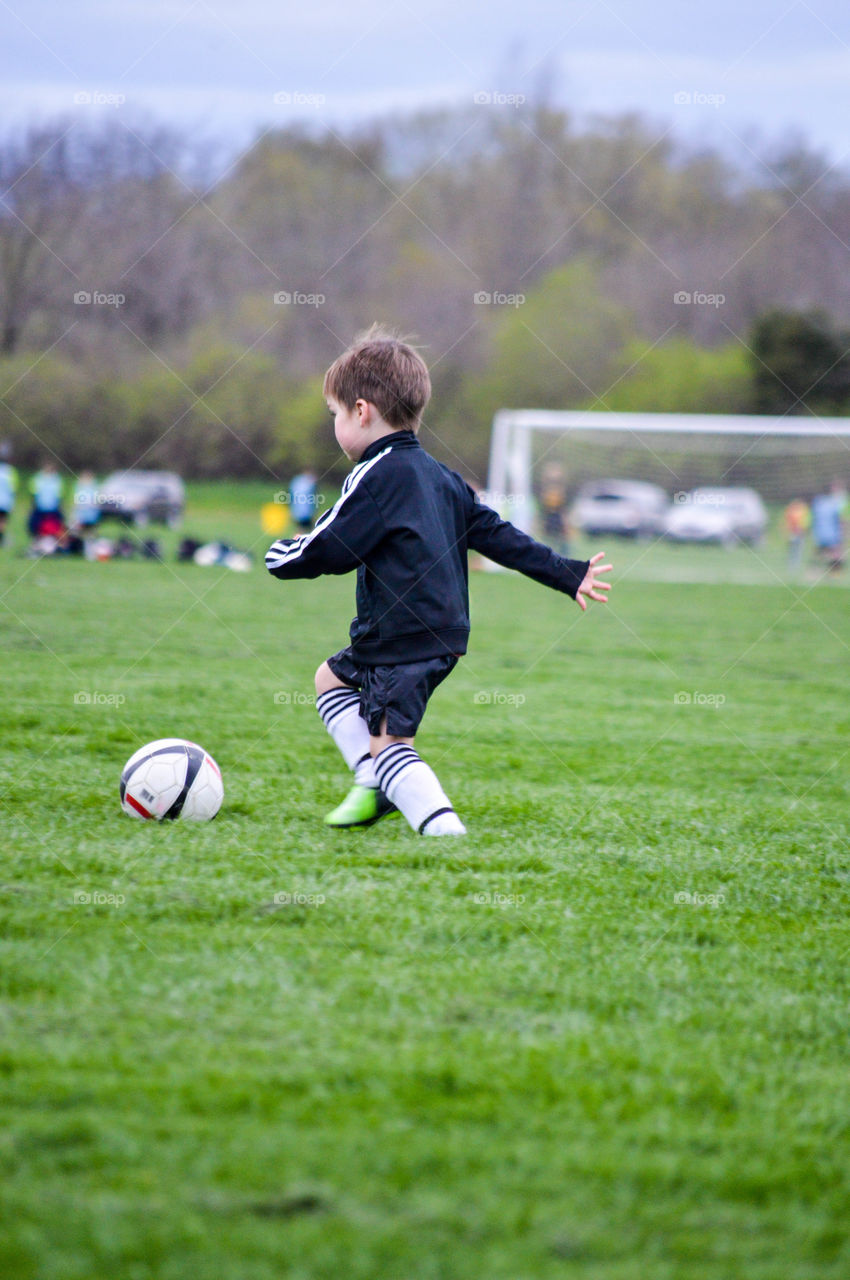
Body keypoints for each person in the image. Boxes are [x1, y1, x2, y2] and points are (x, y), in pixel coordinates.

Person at [265, 327, 612, 837]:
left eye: (335, 414)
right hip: (441, 632)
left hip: (400, 636)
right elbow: (497, 535)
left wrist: (282, 555)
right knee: (330, 680)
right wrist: (566, 573)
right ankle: (372, 780)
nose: (336, 425)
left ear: (361, 411)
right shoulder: (442, 477)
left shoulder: (375, 474)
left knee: (391, 746)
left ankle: (446, 834)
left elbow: (332, 547)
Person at [811, 481, 846, 573]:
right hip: (830, 533)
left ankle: (816, 572)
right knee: (834, 553)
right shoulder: (835, 502)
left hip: (822, 533)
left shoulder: (818, 501)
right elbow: (841, 518)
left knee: (823, 553)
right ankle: (833, 572)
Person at [28, 460, 64, 537]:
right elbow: (34, 494)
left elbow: (59, 496)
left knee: (55, 525)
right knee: (35, 525)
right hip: (40, 507)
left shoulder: (57, 480)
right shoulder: (38, 478)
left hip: (52, 508)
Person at [783, 497, 810, 570]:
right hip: (793, 533)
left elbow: (806, 522)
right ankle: (792, 566)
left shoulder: (803, 510)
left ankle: (796, 565)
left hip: (800, 533)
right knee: (793, 550)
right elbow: (788, 522)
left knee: (798, 550)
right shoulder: (791, 510)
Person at [0, 441, 18, 547]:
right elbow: (13, 489)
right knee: (2, 522)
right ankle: (2, 539)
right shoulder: (10, 472)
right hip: (5, 502)